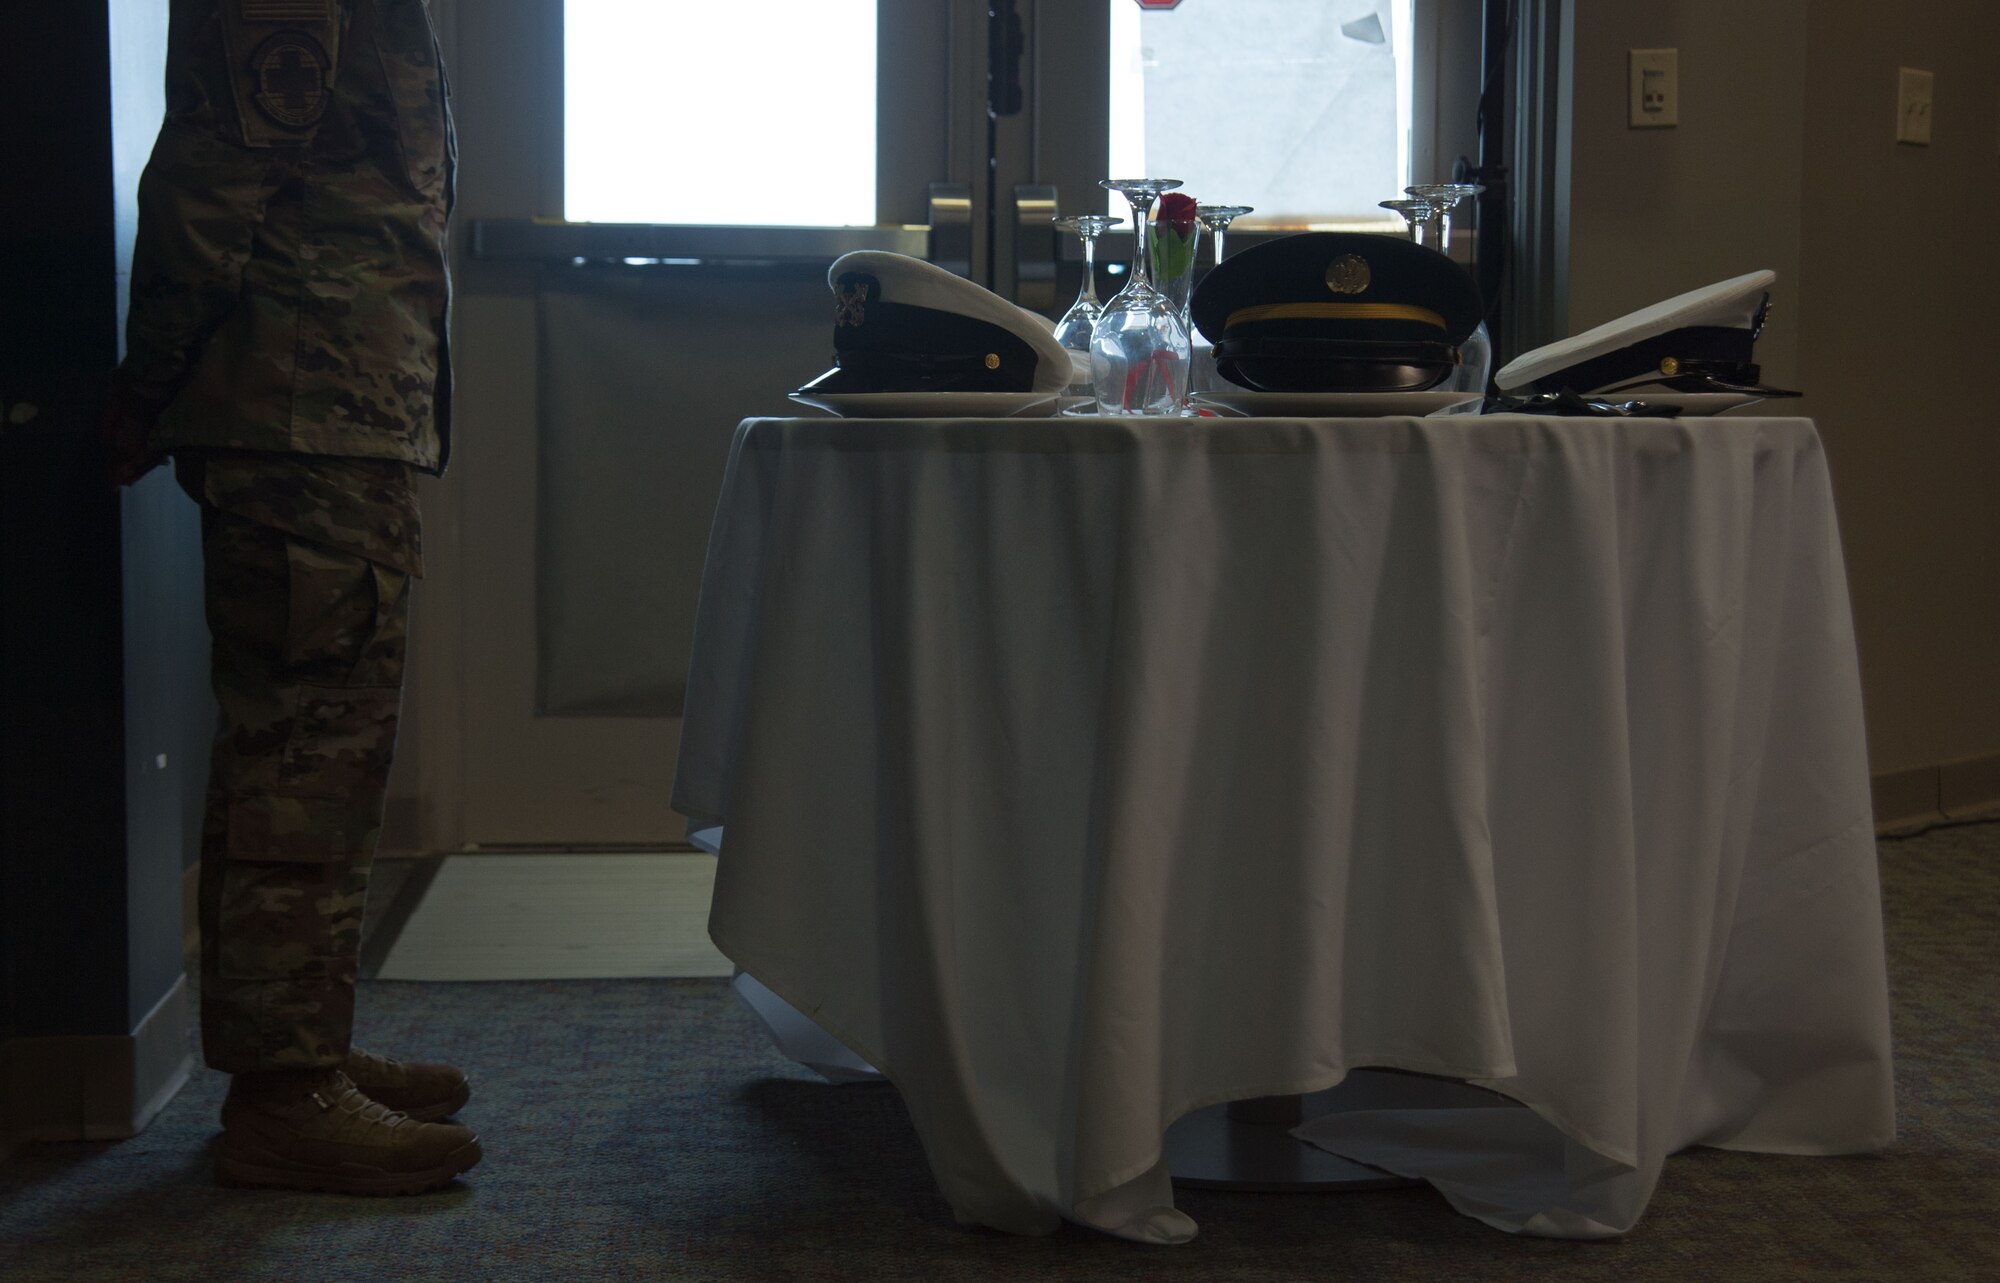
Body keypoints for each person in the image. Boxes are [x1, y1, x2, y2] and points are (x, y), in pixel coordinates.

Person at [102, 0, 478, 1195]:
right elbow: (216, 178)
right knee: (304, 749)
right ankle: (282, 1093)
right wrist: (147, 385)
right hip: (302, 403)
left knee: (314, 746)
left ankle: (299, 1044)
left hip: (336, 410)